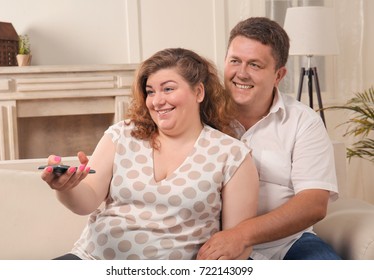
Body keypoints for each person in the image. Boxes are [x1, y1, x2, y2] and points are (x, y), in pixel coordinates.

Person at [41, 48, 259, 260]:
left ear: (198, 92)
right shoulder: (122, 135)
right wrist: (66, 187)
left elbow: (236, 246)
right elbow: (86, 202)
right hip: (92, 259)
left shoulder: (231, 155)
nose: (157, 101)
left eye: (168, 89)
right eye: (151, 91)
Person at [197, 17, 341, 260]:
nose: (241, 73)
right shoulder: (200, 115)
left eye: (255, 65)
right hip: (216, 241)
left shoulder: (304, 122)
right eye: (235, 61)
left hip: (289, 243)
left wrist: (241, 235)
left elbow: (314, 203)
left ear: (278, 74)